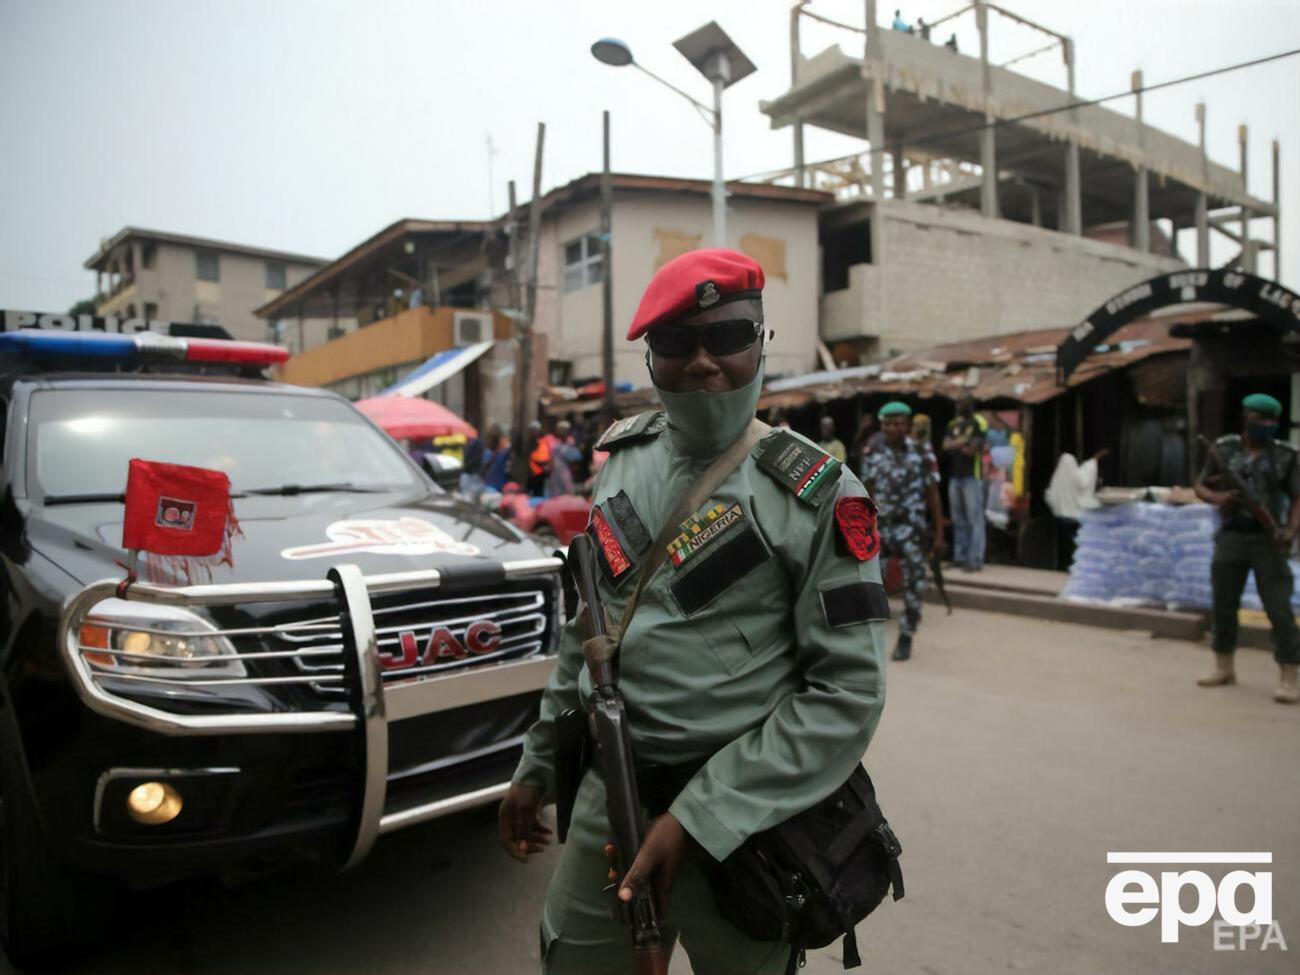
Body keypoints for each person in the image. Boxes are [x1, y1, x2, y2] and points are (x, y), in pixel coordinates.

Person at [499, 249, 888, 973]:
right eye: (679, 342)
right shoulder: (624, 460)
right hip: (605, 801)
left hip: (744, 830)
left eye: (730, 336)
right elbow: (589, 631)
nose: (705, 362)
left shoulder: (819, 494)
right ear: (651, 358)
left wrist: (700, 817)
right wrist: (539, 764)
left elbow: (846, 694)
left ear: (762, 342)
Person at [1194, 393, 1300, 704]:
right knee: (1224, 604)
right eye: (1259, 420)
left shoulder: (1285, 455)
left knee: (1278, 608)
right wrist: (1219, 499)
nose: (1266, 427)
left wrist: (1291, 531)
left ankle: (1289, 674)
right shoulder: (1224, 448)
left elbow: (1298, 497)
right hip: (1231, 537)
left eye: (1271, 422)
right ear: (1246, 419)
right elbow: (1199, 484)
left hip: (1268, 539)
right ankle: (1223, 666)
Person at [861, 402, 944, 661]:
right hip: (882, 528)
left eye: (898, 423)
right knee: (871, 582)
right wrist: (864, 526)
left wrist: (939, 532)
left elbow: (933, 493)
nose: (892, 428)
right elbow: (867, 491)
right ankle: (868, 640)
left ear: (907, 426)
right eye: (887, 423)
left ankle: (906, 637)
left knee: (914, 584)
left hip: (912, 527)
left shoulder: (922, 453)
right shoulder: (873, 453)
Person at [943, 394, 988, 571]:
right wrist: (962, 443)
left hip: (972, 476)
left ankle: (975, 559)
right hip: (955, 476)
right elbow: (945, 445)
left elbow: (973, 450)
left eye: (960, 402)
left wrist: (957, 444)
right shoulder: (953, 424)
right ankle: (960, 557)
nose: (957, 405)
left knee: (974, 519)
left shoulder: (979, 422)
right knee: (958, 518)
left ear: (970, 404)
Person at [545, 420, 583, 497]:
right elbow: (551, 459)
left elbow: (576, 460)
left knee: (568, 496)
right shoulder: (553, 442)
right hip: (555, 476)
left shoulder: (570, 443)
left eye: (563, 430)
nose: (561, 432)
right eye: (559, 430)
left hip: (567, 476)